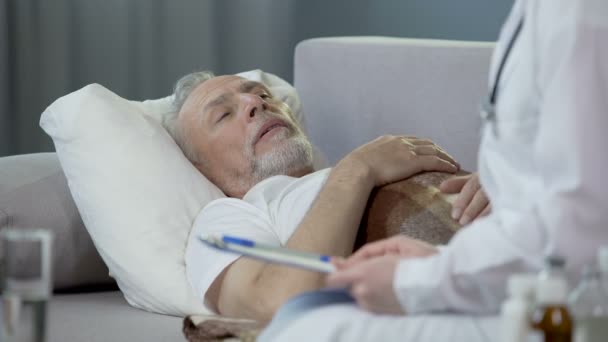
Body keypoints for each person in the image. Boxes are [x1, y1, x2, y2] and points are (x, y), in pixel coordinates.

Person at [317, 0, 608, 325]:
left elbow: (578, 236)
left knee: (312, 330)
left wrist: (418, 281)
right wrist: (445, 262)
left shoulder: (578, 13)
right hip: (520, 276)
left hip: (568, 301)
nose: (257, 102)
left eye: (262, 92)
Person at [163, 72, 490, 321]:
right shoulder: (228, 216)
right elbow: (272, 303)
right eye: (223, 114)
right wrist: (359, 168)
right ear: (201, 170)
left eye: (261, 94)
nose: (256, 103)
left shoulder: (344, 173)